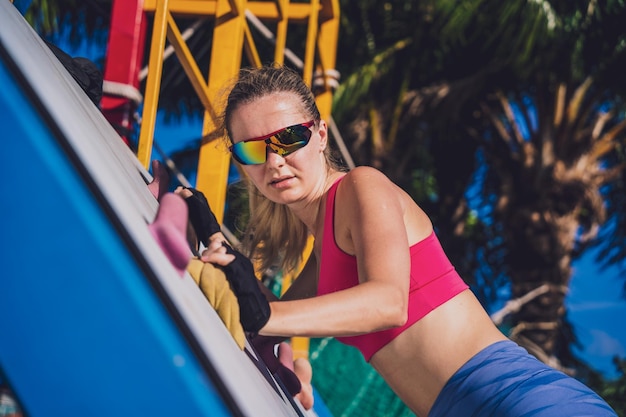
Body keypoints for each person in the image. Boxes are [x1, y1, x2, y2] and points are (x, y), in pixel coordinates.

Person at [201, 65, 618, 417]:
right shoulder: (323, 250)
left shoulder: (362, 186)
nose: (274, 160)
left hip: (520, 400)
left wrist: (265, 320)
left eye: (288, 138)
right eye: (253, 151)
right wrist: (200, 228)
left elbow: (387, 303)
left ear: (322, 134)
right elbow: (263, 322)